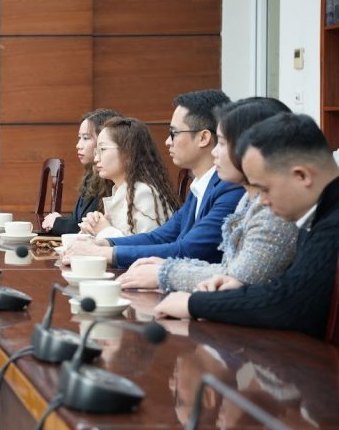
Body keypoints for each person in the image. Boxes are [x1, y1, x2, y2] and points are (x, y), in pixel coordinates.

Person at [155, 113, 339, 339]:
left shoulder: (332, 223)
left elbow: (289, 303)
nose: (262, 201)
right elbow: (287, 285)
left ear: (302, 175)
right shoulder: (319, 214)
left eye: (264, 189)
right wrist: (240, 290)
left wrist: (195, 304)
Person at [118, 98, 298, 291]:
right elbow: (228, 269)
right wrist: (167, 267)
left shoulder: (272, 209)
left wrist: (166, 273)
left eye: (222, 143)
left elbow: (239, 278)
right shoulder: (247, 199)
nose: (214, 152)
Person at [63, 89, 243, 269]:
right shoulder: (200, 187)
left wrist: (105, 252)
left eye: (174, 133)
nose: (167, 142)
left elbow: (188, 249)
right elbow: (159, 237)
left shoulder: (229, 188)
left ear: (203, 138)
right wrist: (104, 243)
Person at [77, 116, 177, 238]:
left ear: (128, 152)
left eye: (103, 149)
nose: (96, 158)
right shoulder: (119, 189)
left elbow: (147, 246)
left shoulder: (144, 193)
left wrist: (105, 230)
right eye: (96, 151)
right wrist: (92, 228)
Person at [42, 108, 121, 235]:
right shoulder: (90, 175)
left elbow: (94, 229)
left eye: (86, 138)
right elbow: (79, 220)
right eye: (79, 138)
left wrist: (58, 223)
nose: (78, 145)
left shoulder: (112, 179)